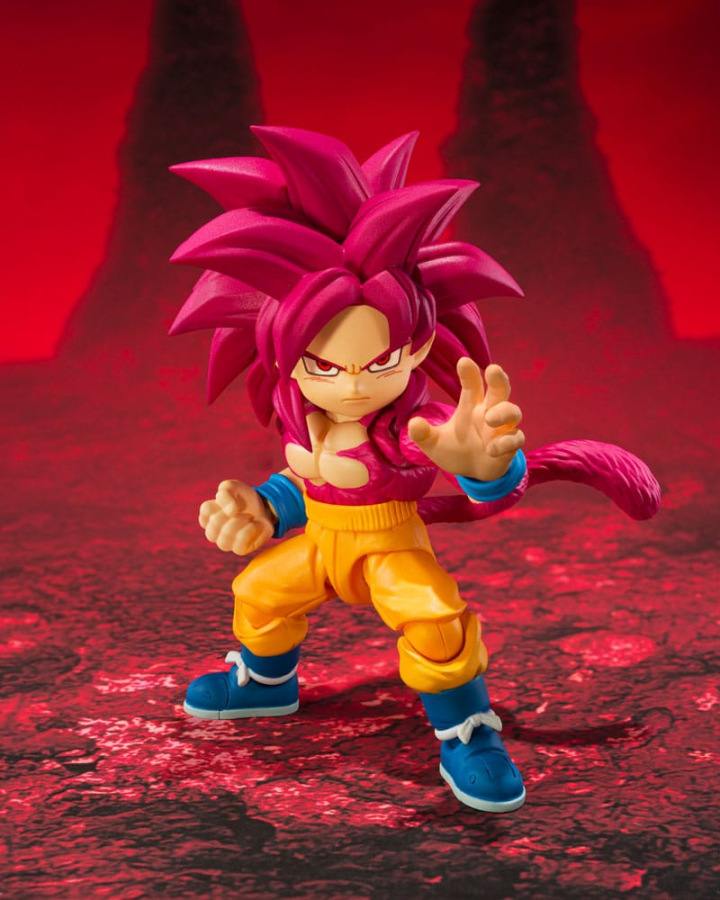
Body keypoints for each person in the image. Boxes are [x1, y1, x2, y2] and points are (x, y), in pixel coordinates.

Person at [170, 126, 660, 813]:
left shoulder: (410, 423)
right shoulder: (297, 411)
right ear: (280, 351)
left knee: (433, 619)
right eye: (323, 365)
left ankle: (468, 732)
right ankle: (265, 683)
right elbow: (308, 482)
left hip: (391, 547)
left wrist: (481, 465)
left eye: (379, 363)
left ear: (419, 343)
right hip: (319, 541)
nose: (351, 386)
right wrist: (263, 508)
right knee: (258, 591)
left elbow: (464, 472)